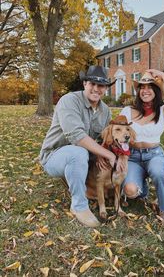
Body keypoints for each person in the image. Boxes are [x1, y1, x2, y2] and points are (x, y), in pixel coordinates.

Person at [39, 65, 119, 228]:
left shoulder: (105, 112)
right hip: (55, 156)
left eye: (101, 85)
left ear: (106, 88)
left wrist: (107, 155)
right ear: (85, 84)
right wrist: (109, 155)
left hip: (84, 157)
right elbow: (77, 137)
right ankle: (79, 206)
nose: (96, 89)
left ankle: (76, 178)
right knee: (78, 153)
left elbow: (101, 140)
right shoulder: (69, 100)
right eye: (92, 84)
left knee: (85, 155)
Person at [120, 69, 164, 223]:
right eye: (142, 87)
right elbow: (117, 134)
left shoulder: (163, 110)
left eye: (150, 86)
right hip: (132, 157)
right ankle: (142, 189)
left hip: (154, 154)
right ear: (138, 91)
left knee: (158, 173)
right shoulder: (127, 111)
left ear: (156, 90)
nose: (145, 91)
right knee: (130, 191)